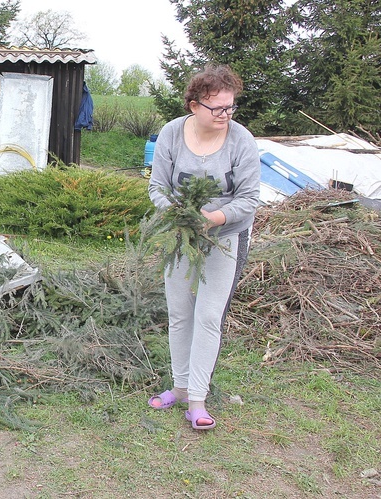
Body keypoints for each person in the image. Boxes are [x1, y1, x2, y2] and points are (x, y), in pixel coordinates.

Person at [146, 64, 260, 429]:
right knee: (180, 312)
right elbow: (157, 188)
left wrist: (212, 219)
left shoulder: (242, 140)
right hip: (182, 236)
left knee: (208, 316)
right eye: (218, 109)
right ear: (194, 105)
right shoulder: (171, 134)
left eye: (231, 107)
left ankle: (197, 399)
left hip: (226, 237)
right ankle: (179, 388)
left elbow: (249, 198)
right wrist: (181, 215)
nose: (226, 115)